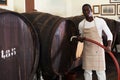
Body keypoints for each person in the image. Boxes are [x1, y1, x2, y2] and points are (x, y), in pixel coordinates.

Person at [77, 4, 113, 80]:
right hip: (87, 50)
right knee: (87, 71)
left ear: (91, 10)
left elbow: (109, 34)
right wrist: (80, 39)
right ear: (82, 12)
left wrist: (109, 46)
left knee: (100, 71)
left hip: (98, 49)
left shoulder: (100, 21)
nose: (86, 12)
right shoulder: (81, 24)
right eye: (84, 10)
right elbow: (81, 36)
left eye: (88, 10)